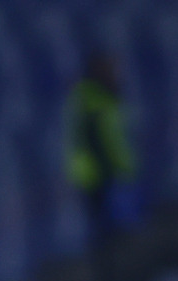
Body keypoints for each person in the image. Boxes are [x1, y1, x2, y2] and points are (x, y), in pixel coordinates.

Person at [65, 52, 136, 253]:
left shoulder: (100, 97)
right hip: (97, 174)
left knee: (113, 229)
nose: (115, 73)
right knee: (106, 231)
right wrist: (123, 167)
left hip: (105, 171)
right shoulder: (93, 100)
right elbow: (105, 139)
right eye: (110, 69)